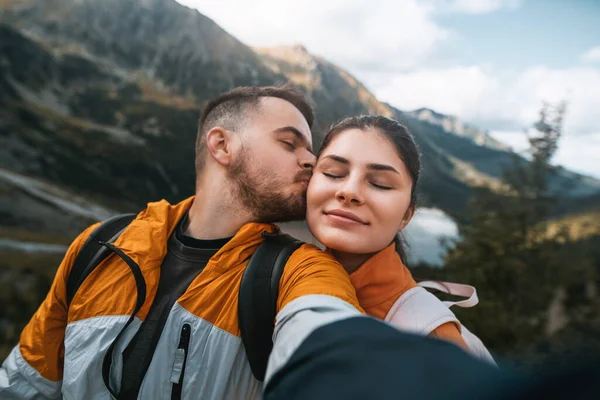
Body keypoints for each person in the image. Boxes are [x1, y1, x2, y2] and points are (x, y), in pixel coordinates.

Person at [0, 85, 367, 399]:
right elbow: (25, 385)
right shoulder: (99, 245)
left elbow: (339, 346)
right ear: (222, 146)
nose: (313, 161)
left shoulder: (301, 271)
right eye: (290, 143)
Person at [306, 115, 493, 361]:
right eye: (333, 172)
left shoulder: (430, 341)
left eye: (380, 184)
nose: (349, 191)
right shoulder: (286, 277)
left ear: (406, 215)